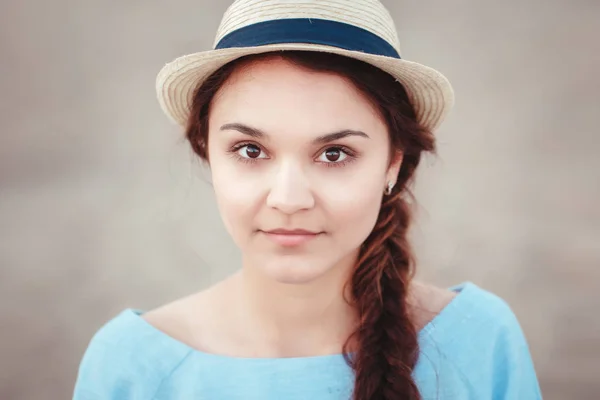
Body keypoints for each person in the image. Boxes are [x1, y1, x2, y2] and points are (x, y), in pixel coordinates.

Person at [73, 0, 542, 399]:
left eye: (334, 153)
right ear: (208, 155)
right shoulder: (131, 366)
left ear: (392, 164)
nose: (289, 198)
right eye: (250, 150)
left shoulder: (479, 340)